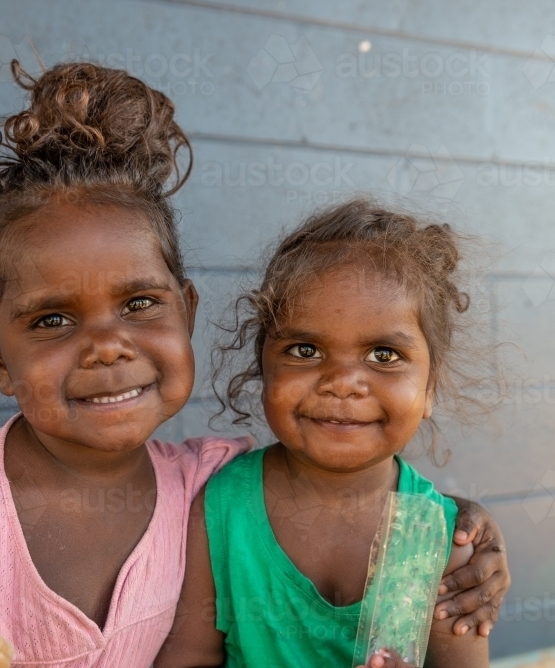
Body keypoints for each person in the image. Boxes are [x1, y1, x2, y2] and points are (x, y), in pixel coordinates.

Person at [0, 67, 506, 667]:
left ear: (187, 313)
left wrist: (463, 526)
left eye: (139, 304)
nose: (107, 345)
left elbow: (348, 476)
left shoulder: (209, 489)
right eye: (53, 320)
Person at [156, 199, 503, 668]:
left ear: (430, 388)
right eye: (305, 349)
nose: (341, 382)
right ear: (264, 367)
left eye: (383, 355)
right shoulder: (222, 507)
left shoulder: (442, 541)